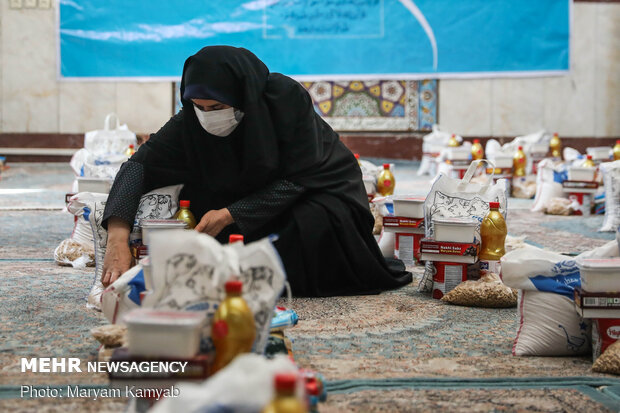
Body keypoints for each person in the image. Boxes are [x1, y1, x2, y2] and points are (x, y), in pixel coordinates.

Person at [101, 46, 412, 297]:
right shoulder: (191, 119)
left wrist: (229, 214)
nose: (207, 117)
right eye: (199, 107)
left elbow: (300, 178)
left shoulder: (285, 101)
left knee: (314, 228)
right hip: (237, 205)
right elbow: (139, 165)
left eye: (216, 108)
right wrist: (117, 237)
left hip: (308, 192)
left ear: (243, 97)